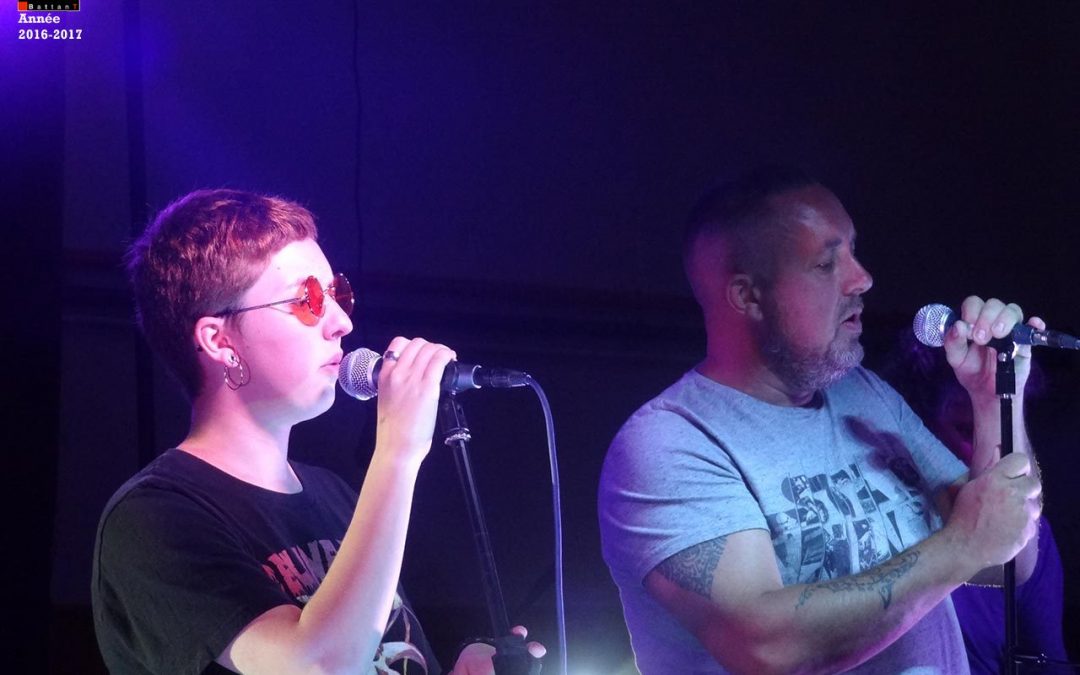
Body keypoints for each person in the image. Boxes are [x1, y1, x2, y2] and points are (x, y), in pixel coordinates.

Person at [598, 166, 1043, 674]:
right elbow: (766, 650)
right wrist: (961, 544)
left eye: (853, 251)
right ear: (748, 296)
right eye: (827, 263)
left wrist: (995, 399)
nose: (862, 278)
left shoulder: (866, 396)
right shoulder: (669, 444)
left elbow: (1007, 558)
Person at [92, 189, 543, 674]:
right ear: (219, 340)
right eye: (307, 300)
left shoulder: (333, 496)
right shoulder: (153, 518)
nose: (341, 322)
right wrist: (397, 451)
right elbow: (317, 666)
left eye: (336, 294)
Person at [881, 334, 1068, 673]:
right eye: (966, 430)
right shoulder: (882, 526)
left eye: (1003, 426)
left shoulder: (1032, 533)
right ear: (922, 430)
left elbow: (1048, 663)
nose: (995, 453)